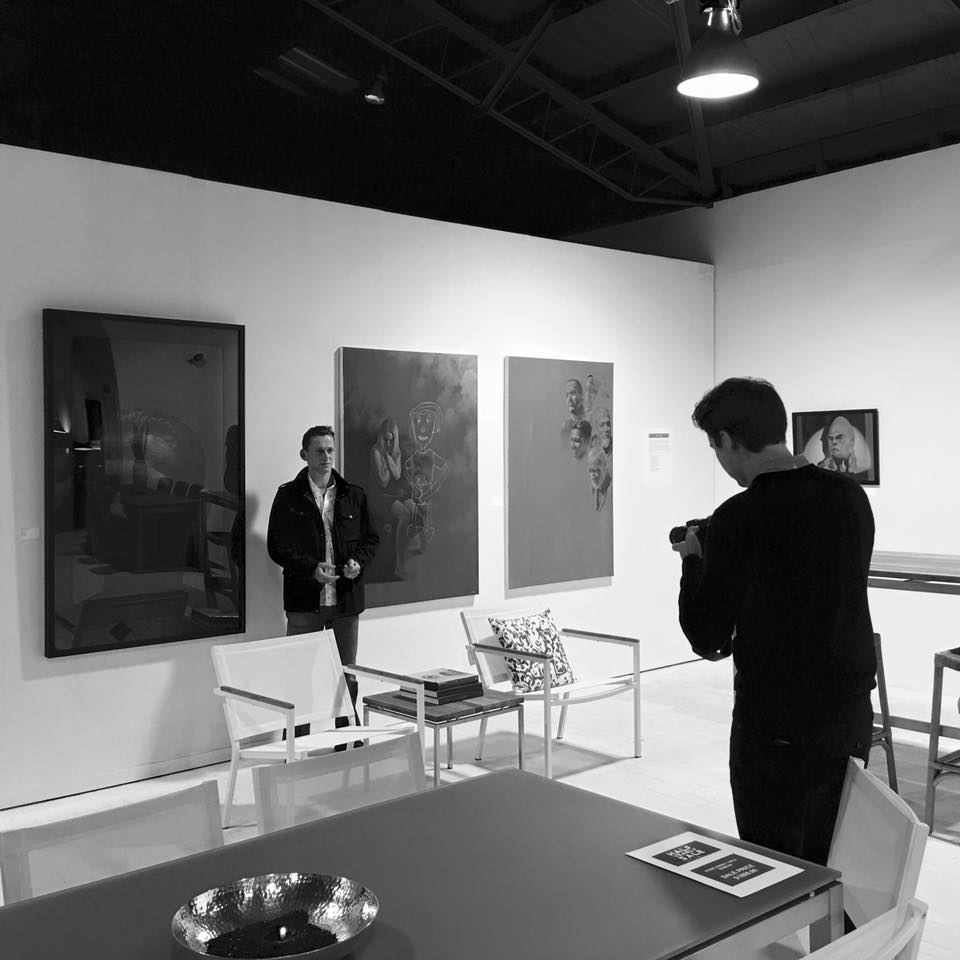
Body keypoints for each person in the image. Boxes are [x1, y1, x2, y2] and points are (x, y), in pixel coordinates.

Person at [673, 377, 876, 866]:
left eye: (714, 447)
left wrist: (694, 560)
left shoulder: (738, 517)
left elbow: (707, 635)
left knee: (774, 869)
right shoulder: (850, 498)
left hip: (776, 725)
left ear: (727, 440)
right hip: (849, 714)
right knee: (835, 858)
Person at [267, 424, 379, 735]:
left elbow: (371, 540)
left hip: (346, 602)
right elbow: (276, 546)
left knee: (347, 676)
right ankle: (297, 746)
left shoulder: (354, 495)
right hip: (305, 603)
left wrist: (358, 563)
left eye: (330, 450)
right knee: (299, 676)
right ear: (304, 454)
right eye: (318, 451)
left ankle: (348, 743)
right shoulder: (288, 496)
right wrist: (310, 569)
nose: (326, 456)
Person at [369, 418, 411, 577]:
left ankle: (408, 557)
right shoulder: (375, 451)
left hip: (393, 495)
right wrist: (387, 458)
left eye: (391, 440)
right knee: (405, 514)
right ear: (381, 438)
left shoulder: (396, 451)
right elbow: (383, 482)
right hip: (378, 496)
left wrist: (388, 459)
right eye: (385, 440)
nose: (388, 443)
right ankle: (399, 565)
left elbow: (397, 474)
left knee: (414, 508)